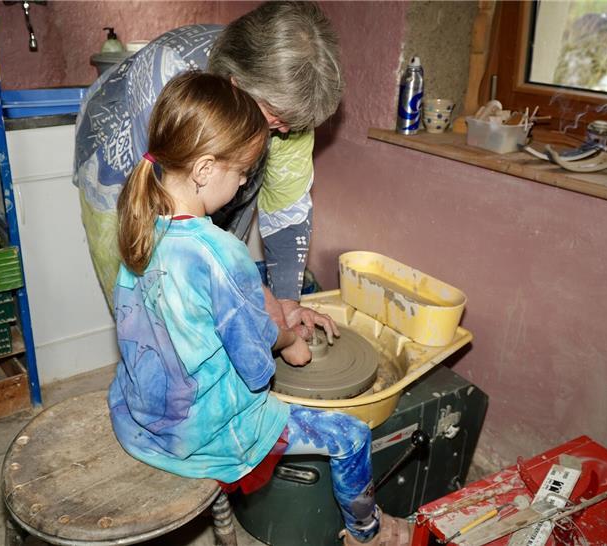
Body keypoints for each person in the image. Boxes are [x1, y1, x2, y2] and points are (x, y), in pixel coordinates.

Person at [108, 71, 411, 546]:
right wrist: (291, 343)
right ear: (206, 170)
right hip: (197, 435)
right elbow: (254, 362)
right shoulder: (219, 252)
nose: (247, 180)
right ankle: (367, 532)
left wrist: (274, 312)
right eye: (244, 171)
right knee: (351, 436)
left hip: (141, 415)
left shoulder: (139, 225)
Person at [74, 1, 343, 341]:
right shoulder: (168, 79)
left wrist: (284, 303)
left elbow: (286, 210)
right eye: (276, 117)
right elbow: (174, 229)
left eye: (293, 121)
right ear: (235, 85)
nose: (287, 131)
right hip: (120, 155)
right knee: (154, 316)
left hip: (214, 160)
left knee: (219, 307)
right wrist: (248, 290)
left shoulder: (286, 108)